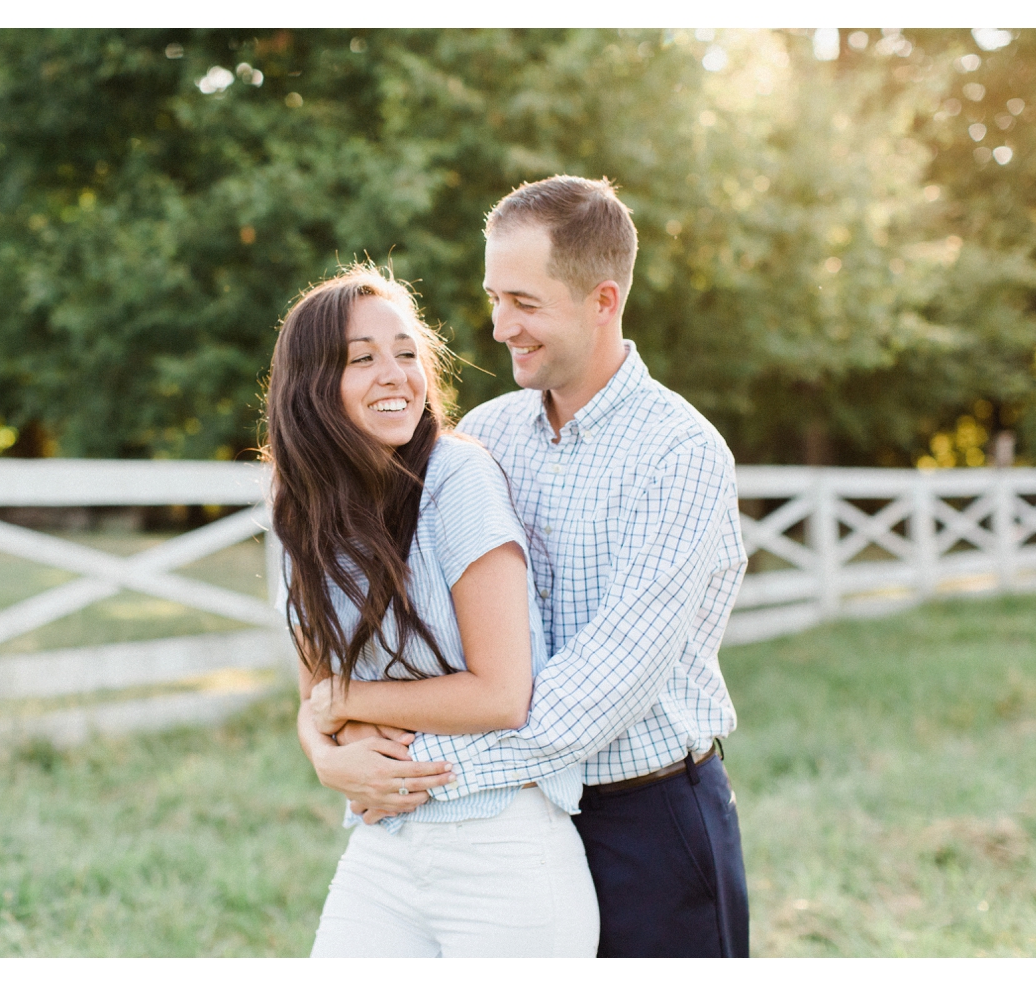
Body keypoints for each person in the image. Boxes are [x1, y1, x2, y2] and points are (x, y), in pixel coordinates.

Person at [318, 176, 752, 957]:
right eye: (493, 298)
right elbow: (392, 635)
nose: (498, 327)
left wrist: (403, 770)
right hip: (509, 825)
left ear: (602, 299)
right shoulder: (485, 437)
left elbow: (595, 693)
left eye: (524, 302)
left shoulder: (681, 458)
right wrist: (329, 745)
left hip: (648, 826)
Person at [265, 264, 599, 957]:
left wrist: (339, 705)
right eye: (363, 359)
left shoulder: (457, 478)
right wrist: (322, 756)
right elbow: (314, 697)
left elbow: (503, 694)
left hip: (501, 849)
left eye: (407, 353)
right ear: (311, 386)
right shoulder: (301, 513)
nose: (396, 375)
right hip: (384, 845)